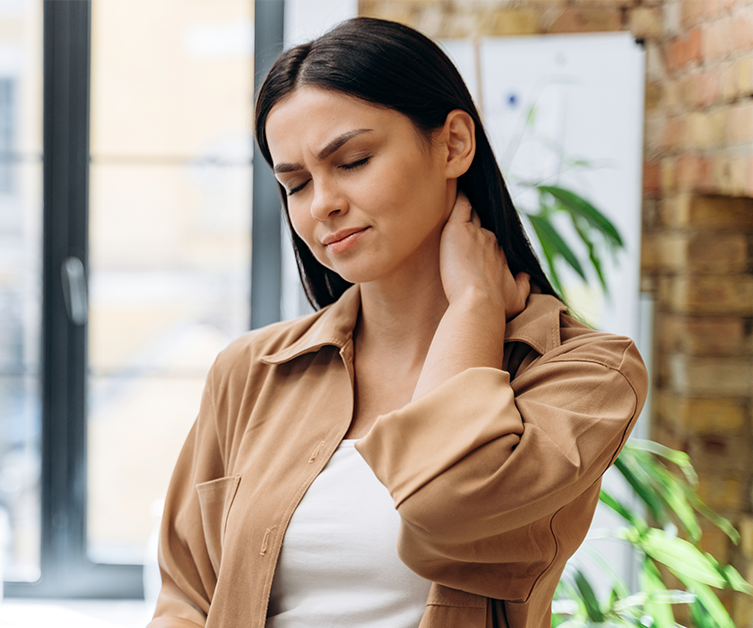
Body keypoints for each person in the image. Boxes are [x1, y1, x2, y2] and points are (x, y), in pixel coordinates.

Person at [149, 17, 647, 628]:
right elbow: (186, 599)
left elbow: (445, 505)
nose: (322, 203)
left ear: (453, 144)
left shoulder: (584, 374)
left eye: (353, 160)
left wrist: (473, 309)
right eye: (296, 184)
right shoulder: (249, 372)